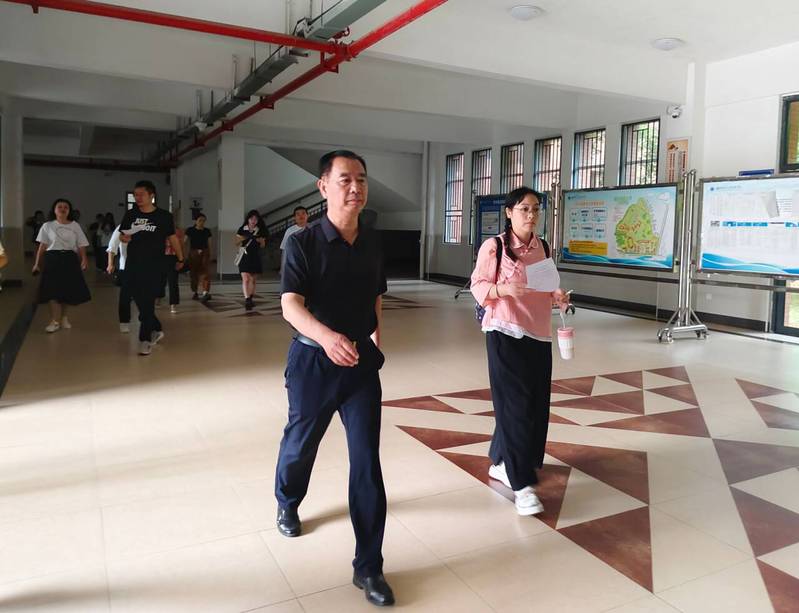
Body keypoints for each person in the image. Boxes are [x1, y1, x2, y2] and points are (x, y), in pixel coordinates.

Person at [275, 150, 393, 607]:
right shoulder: (302, 243)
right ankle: (287, 500)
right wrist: (326, 338)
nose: (355, 187)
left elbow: (376, 297)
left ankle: (369, 567)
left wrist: (375, 343)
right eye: (345, 179)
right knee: (301, 444)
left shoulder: (373, 243)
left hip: (360, 365)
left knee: (366, 460)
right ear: (323, 186)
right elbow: (290, 304)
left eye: (361, 179)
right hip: (313, 363)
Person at [470, 186, 570, 516]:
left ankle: (502, 461)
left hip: (538, 334)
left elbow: (546, 285)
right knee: (514, 404)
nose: (531, 215)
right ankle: (522, 484)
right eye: (524, 209)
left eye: (536, 209)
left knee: (535, 405)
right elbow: (477, 286)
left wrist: (557, 296)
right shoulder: (495, 246)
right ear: (509, 212)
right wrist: (502, 290)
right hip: (504, 331)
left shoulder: (542, 247)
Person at [119, 180, 184, 355]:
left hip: (155, 264)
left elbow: (172, 238)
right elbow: (122, 236)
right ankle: (156, 327)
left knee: (148, 300)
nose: (138, 197)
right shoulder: (131, 214)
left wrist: (180, 257)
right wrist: (125, 238)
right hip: (133, 262)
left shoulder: (163, 216)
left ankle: (145, 339)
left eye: (141, 194)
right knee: (137, 298)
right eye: (135, 194)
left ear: (151, 195)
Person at [31, 198, 91, 333]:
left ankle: (64, 317)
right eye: (60, 207)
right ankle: (54, 321)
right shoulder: (47, 226)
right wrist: (36, 264)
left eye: (66, 207)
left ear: (69, 210)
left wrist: (84, 259)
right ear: (54, 210)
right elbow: (42, 246)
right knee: (51, 290)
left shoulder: (75, 225)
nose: (63, 209)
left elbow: (81, 244)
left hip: (69, 258)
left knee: (66, 290)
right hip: (52, 259)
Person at [235, 209, 267, 311]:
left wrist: (261, 241)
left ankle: (250, 297)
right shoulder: (242, 229)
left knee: (253, 279)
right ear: (248, 219)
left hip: (255, 256)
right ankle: (247, 299)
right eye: (251, 218)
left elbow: (263, 245)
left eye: (255, 219)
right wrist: (245, 238)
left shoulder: (260, 230)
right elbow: (236, 242)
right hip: (244, 256)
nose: (253, 221)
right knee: (246, 279)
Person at [106, 225, 132, 333]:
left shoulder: (146, 225)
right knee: (125, 296)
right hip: (126, 267)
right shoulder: (122, 227)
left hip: (144, 267)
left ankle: (147, 320)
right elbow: (112, 246)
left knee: (145, 296)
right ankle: (124, 321)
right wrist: (110, 263)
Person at [185, 213, 213, 302]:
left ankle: (205, 292)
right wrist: (183, 254)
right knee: (194, 273)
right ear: (196, 221)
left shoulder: (207, 231)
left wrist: (210, 253)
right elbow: (184, 241)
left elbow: (209, 243)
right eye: (200, 220)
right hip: (193, 253)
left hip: (205, 252)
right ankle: (195, 292)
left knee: (206, 272)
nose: (202, 222)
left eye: (204, 221)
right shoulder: (190, 230)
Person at [159, 224, 183, 314]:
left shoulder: (177, 231)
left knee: (173, 281)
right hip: (160, 257)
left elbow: (181, 245)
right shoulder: (158, 229)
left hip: (173, 257)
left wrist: (181, 259)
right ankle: (158, 297)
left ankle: (173, 303)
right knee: (159, 280)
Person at [279, 206, 309, 273]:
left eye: (303, 213)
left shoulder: (313, 228)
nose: (301, 216)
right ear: (294, 218)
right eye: (298, 214)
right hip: (295, 264)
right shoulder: (290, 231)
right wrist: (283, 267)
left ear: (307, 215)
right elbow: (284, 250)